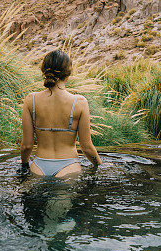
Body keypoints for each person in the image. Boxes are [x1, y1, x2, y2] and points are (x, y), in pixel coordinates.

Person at [20, 49, 102, 177]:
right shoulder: (80, 102)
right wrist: (99, 165)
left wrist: (24, 166)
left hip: (38, 166)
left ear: (44, 71)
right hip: (68, 167)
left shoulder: (31, 100)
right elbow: (86, 147)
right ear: (68, 74)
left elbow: (26, 146)